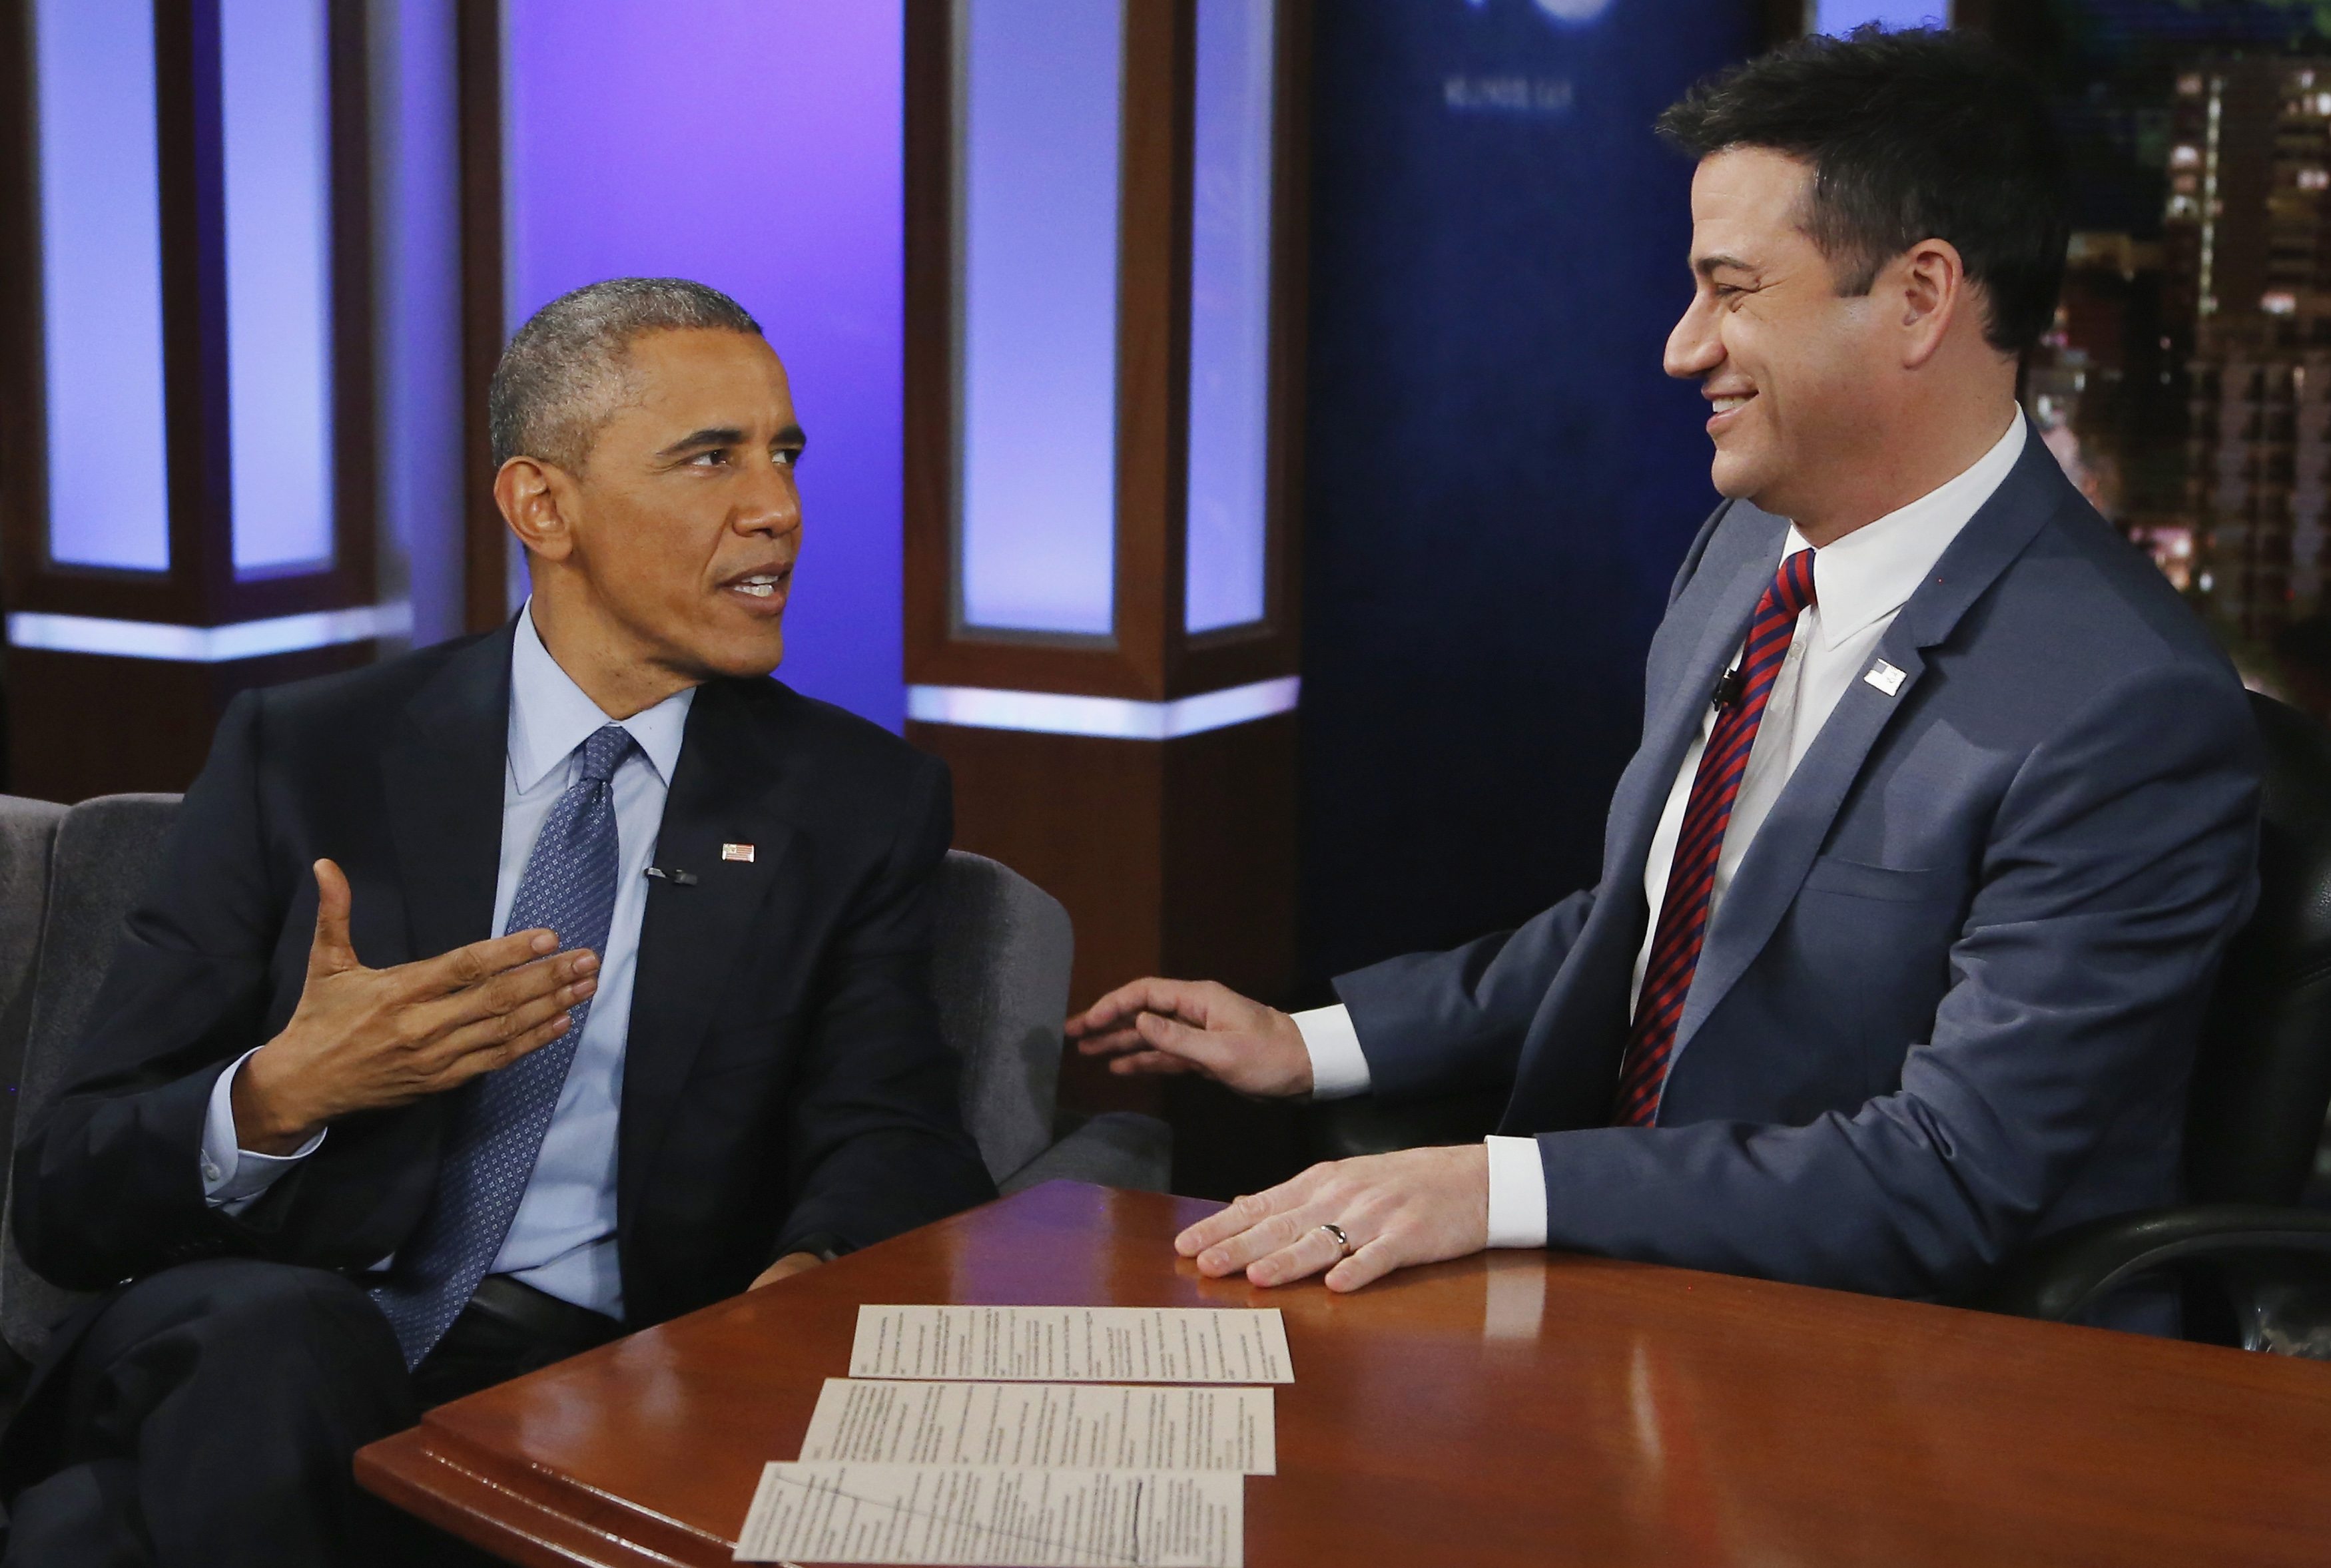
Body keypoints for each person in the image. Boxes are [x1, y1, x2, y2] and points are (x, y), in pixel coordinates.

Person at [1070, 29, 2262, 1319]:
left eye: (1732, 290)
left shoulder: (2125, 705)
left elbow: (1952, 1174)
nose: (1681, 347)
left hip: (1914, 1386)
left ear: (1921, 297)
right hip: (1645, 1314)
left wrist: (1501, 1187)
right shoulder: (1744, 548)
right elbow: (1650, 926)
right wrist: (1311, 1041)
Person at [0, 278, 995, 1565]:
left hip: (591, 1374)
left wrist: (796, 1297)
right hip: (251, 1325)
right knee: (287, 1348)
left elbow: (891, 1129)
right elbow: (66, 1194)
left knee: (90, 1536)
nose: (779, 511)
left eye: (784, 455)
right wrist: (282, 1094)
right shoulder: (307, 755)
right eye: (711, 459)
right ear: (543, 506)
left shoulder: (854, 804)